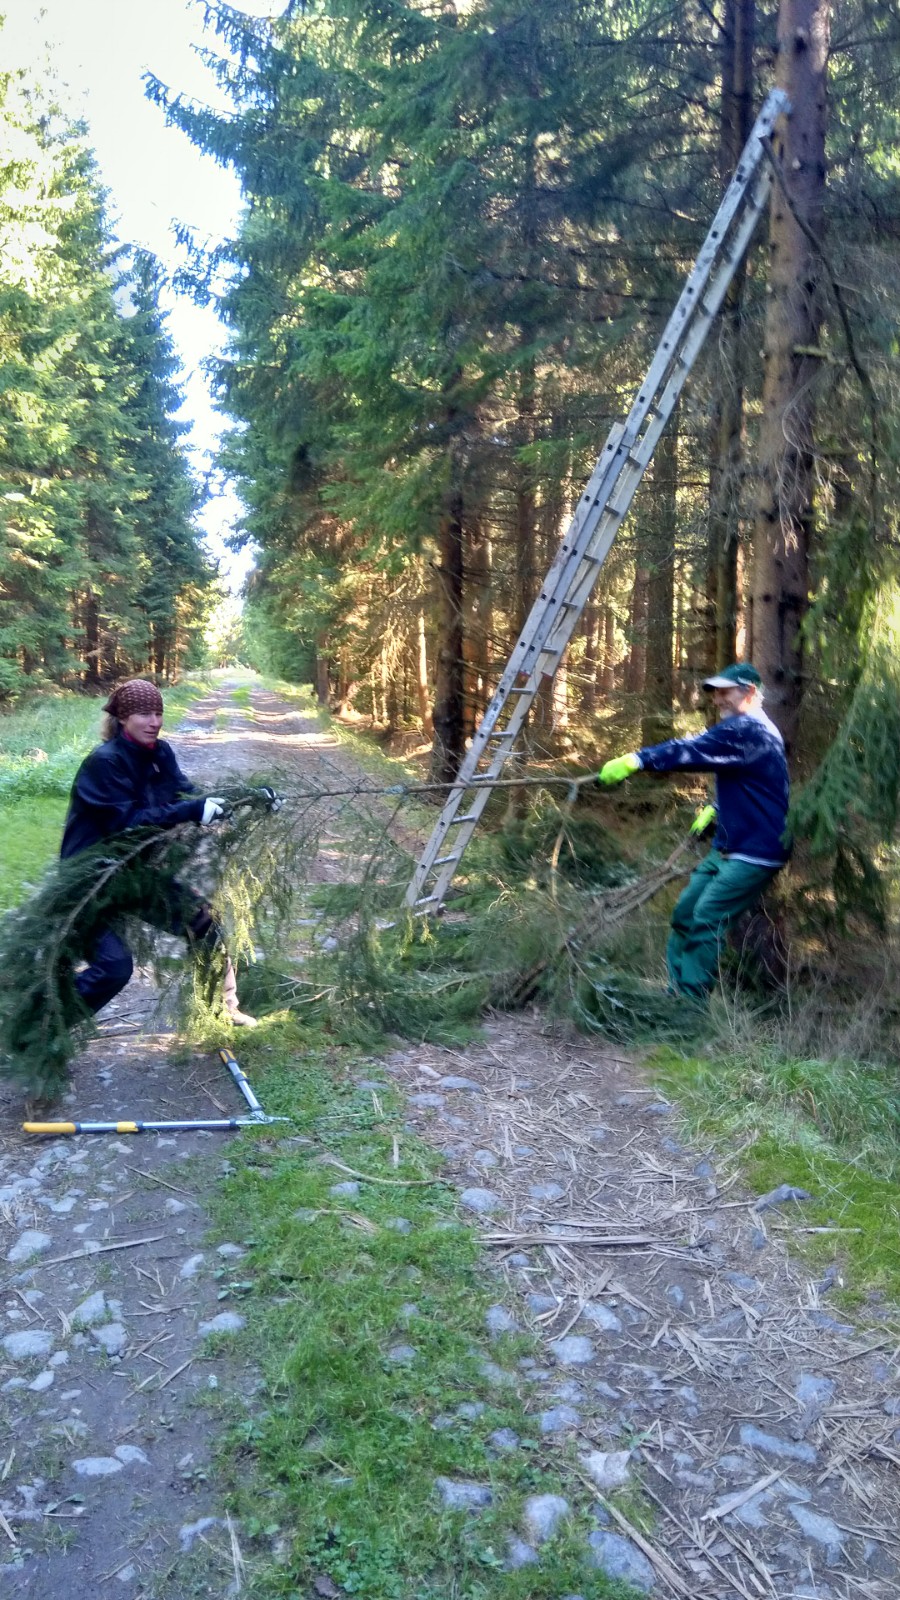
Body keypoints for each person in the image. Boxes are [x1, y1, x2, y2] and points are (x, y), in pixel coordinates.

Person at [61, 678, 260, 1026]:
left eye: (158, 713)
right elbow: (126, 823)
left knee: (204, 922)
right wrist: (191, 810)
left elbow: (186, 793)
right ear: (123, 718)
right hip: (91, 879)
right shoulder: (104, 763)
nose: (154, 721)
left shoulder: (160, 753)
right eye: (144, 714)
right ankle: (44, 1029)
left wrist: (251, 798)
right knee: (114, 968)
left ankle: (223, 1009)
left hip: (134, 874)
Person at [598, 663, 790, 1000]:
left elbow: (691, 750)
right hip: (728, 845)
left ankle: (689, 1006)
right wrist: (717, 809)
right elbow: (758, 783)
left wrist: (637, 760)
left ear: (748, 692)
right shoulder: (749, 730)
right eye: (714, 693)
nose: (717, 699)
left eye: (725, 691)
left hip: (755, 852)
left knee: (707, 918)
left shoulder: (749, 729)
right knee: (686, 914)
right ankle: (676, 993)